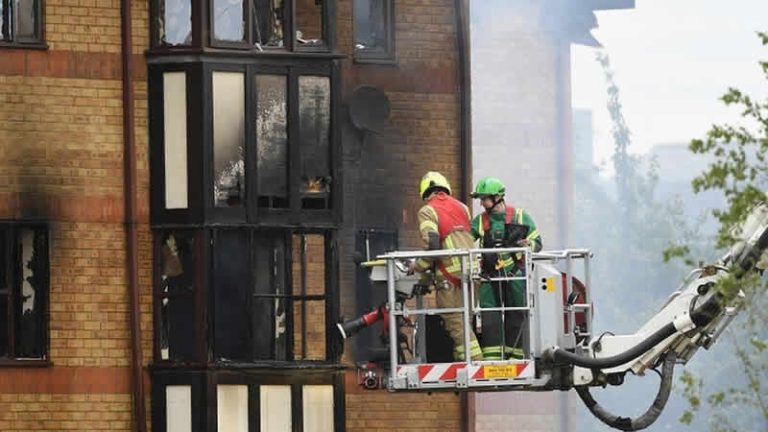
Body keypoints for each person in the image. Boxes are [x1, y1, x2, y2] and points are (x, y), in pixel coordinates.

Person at [409, 171, 483, 361]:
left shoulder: (427, 210)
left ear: (425, 192)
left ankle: (474, 361)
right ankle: (462, 359)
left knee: (454, 321)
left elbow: (433, 245)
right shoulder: (463, 208)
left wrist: (417, 267)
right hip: (472, 273)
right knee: (464, 320)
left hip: (449, 276)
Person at [470, 177, 542, 360]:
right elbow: (465, 239)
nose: (481, 203)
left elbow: (537, 242)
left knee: (517, 312)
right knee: (489, 314)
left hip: (515, 274)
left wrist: (529, 244)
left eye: (484, 198)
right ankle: (492, 358)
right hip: (489, 277)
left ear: (497, 197)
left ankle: (516, 356)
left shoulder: (519, 216)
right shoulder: (480, 221)